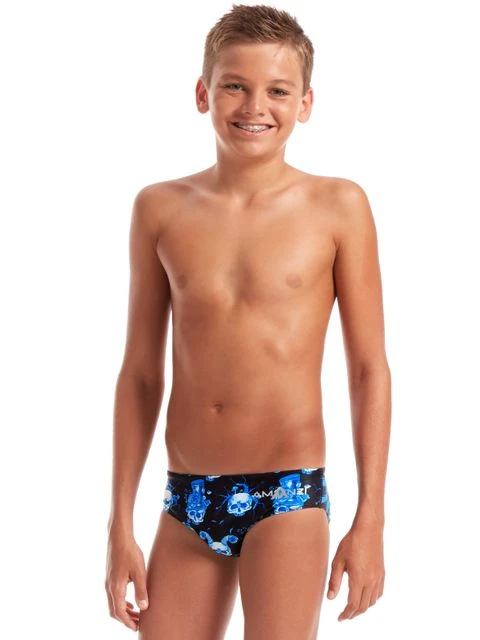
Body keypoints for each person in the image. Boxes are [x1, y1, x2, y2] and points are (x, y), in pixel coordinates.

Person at [105, 4, 391, 638]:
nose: (254, 106)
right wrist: (119, 524)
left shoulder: (338, 206)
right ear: (203, 93)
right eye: (234, 85)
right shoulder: (159, 208)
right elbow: (140, 374)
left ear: (306, 103)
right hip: (187, 498)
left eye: (278, 91)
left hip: (286, 493)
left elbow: (369, 369)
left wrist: (370, 517)